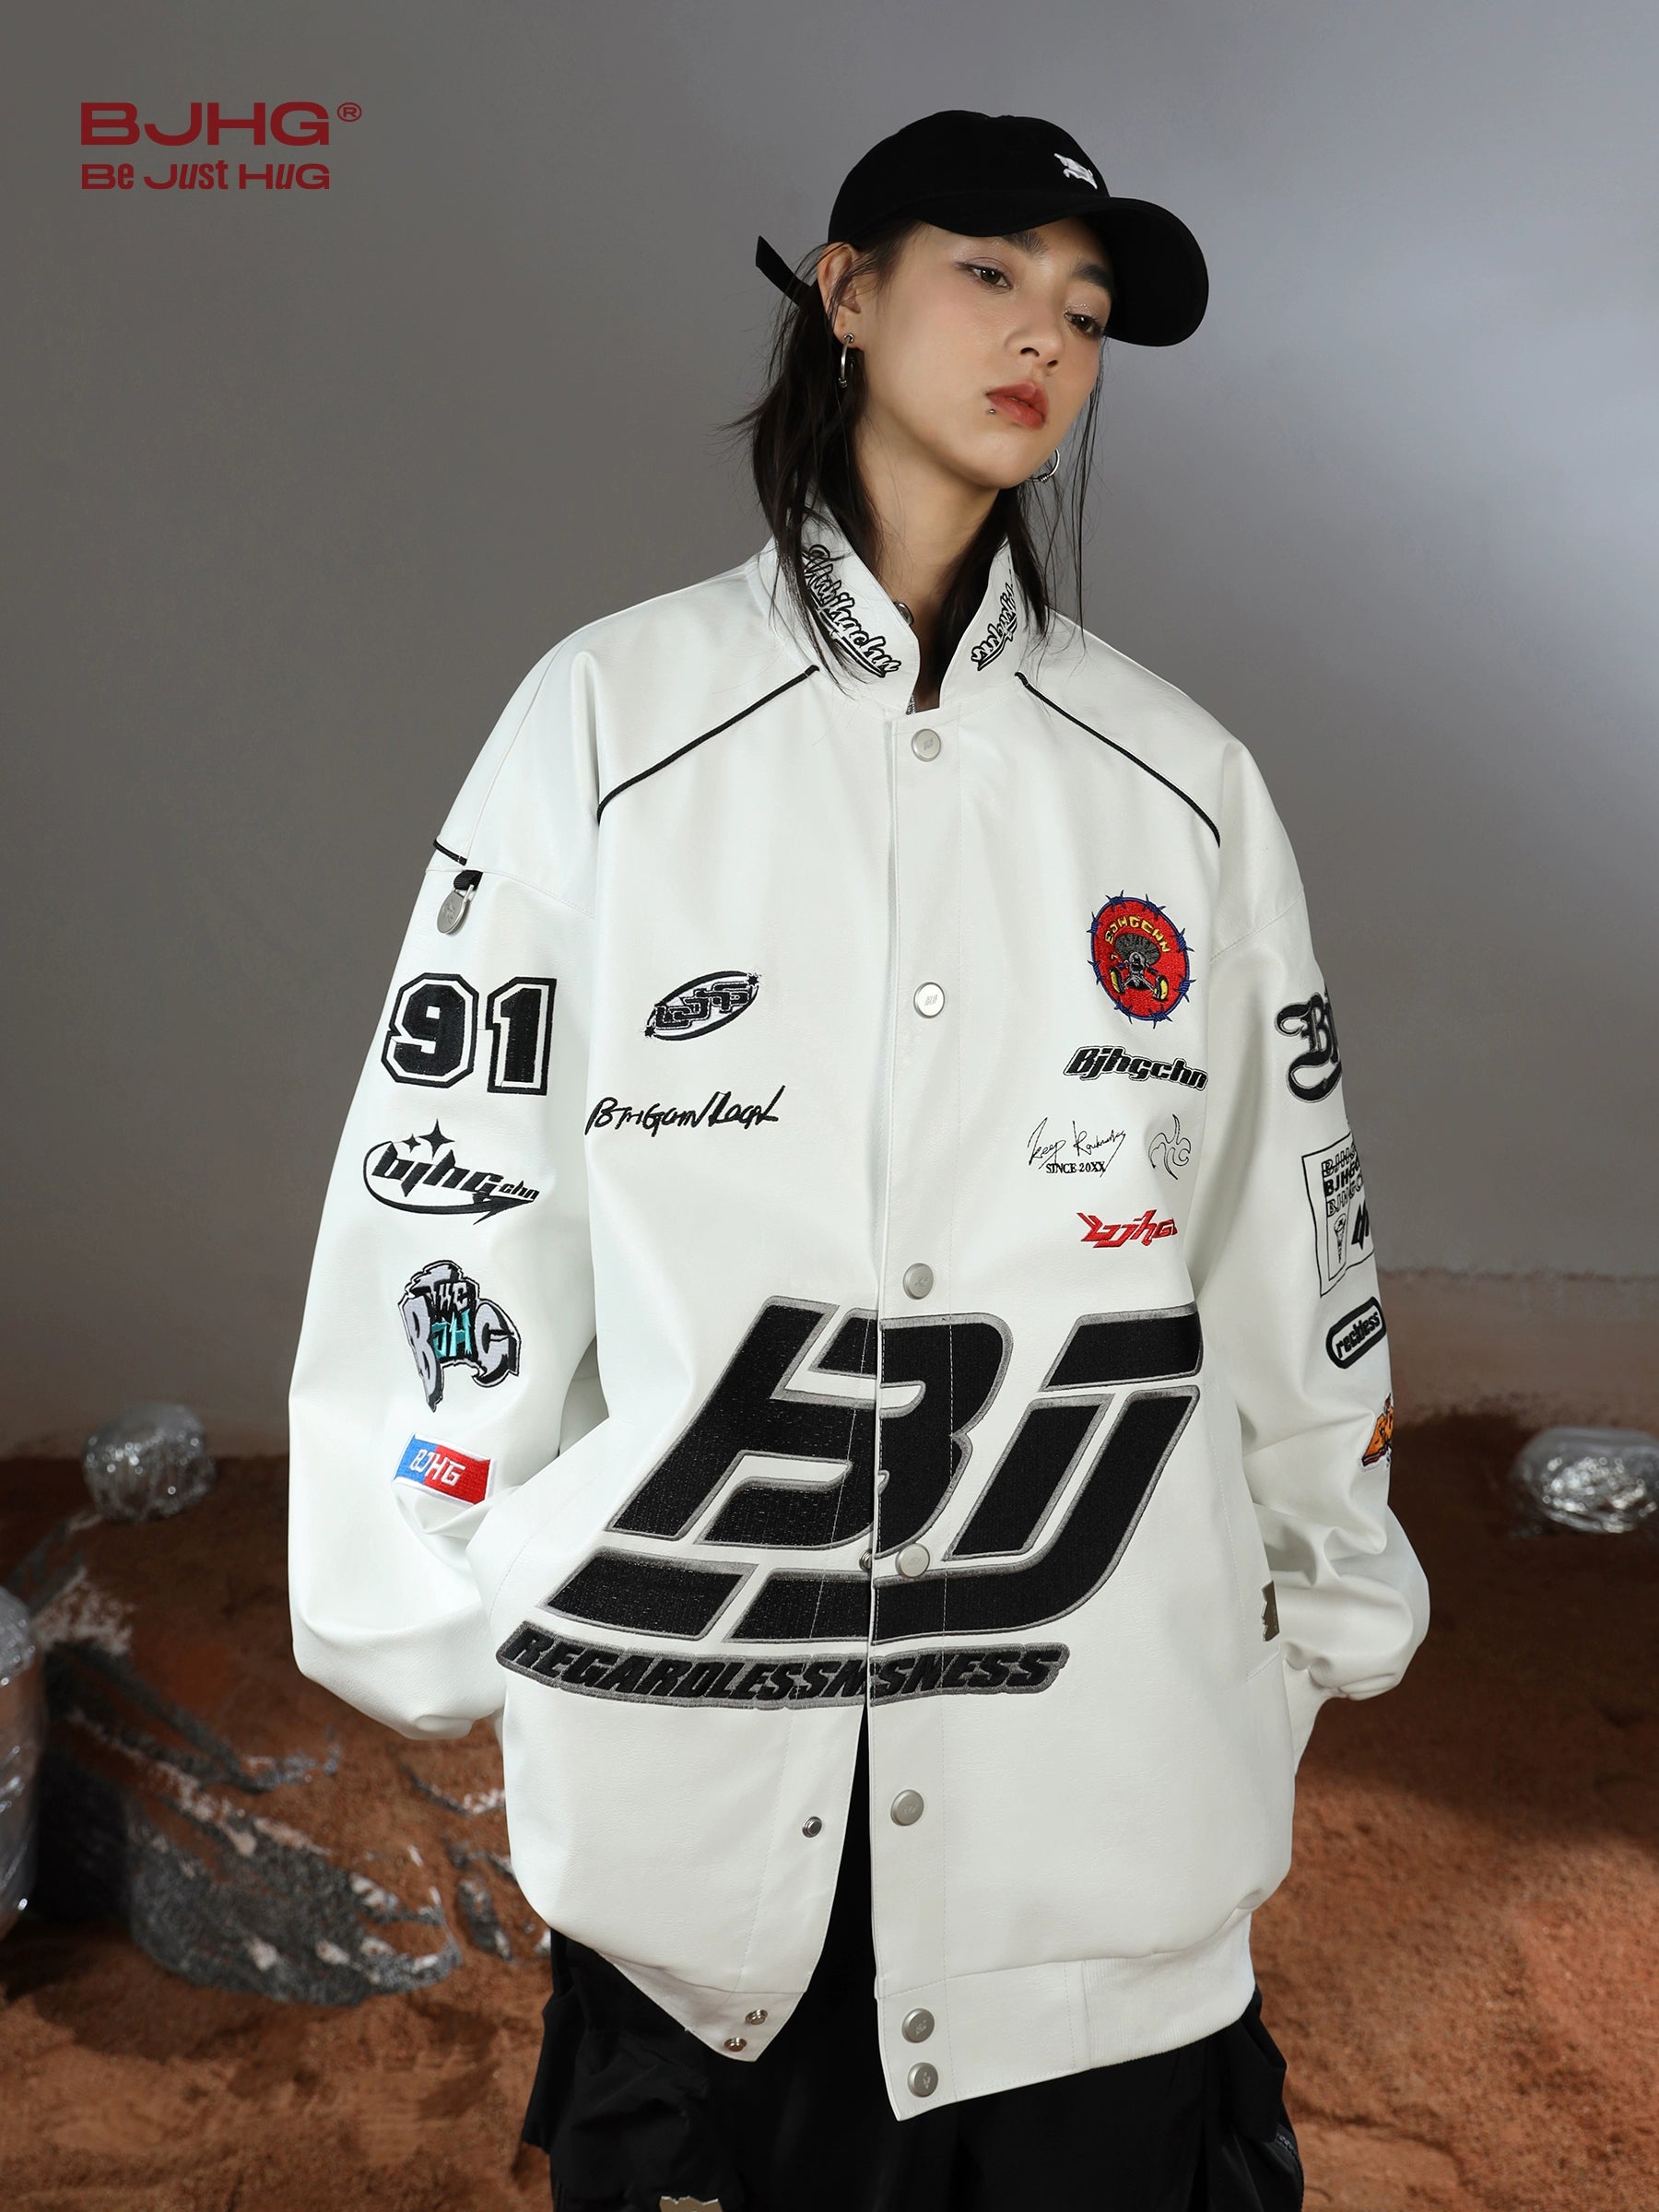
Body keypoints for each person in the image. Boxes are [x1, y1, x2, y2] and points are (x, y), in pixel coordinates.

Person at [288, 108, 1430, 2211]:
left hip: (1102, 1816)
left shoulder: (1179, 784)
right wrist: (430, 1586)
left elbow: (1284, 1230)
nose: (1045, 338)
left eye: (1087, 306)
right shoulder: (611, 720)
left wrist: (1317, 1595)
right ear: (844, 291)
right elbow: (457, 1174)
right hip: (707, 1815)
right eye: (989, 272)